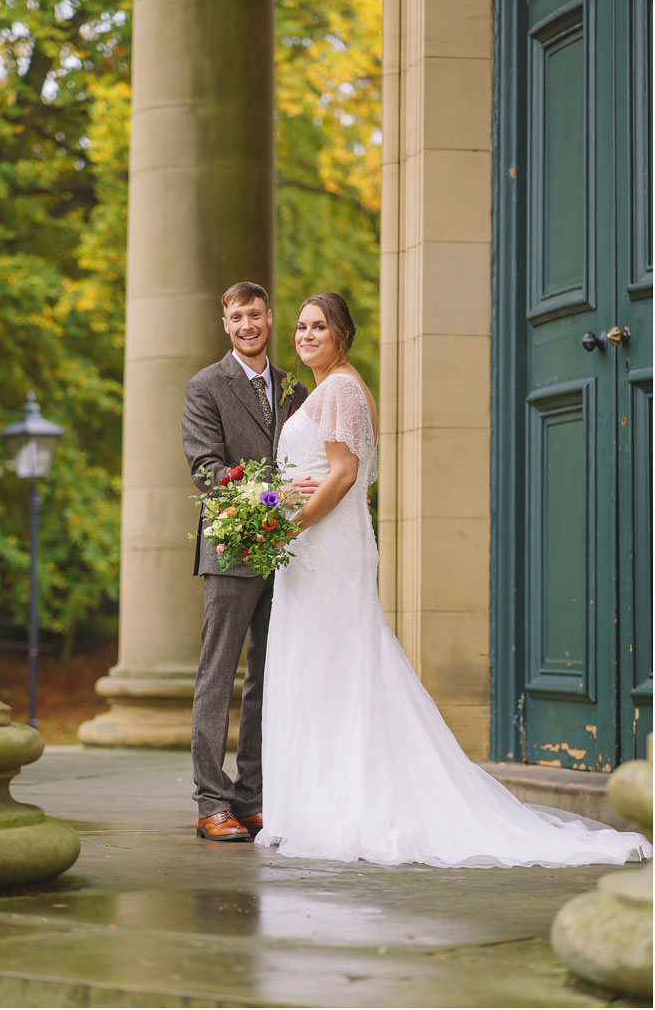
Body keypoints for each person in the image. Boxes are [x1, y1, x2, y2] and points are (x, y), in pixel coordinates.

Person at [259, 292, 652, 867]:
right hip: (317, 544)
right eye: (300, 326)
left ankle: (341, 802)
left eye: (319, 326)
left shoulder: (341, 387)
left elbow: (344, 475)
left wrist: (287, 526)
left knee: (336, 663)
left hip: (323, 546)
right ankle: (320, 796)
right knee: (328, 662)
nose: (306, 335)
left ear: (342, 333)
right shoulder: (329, 389)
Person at [181, 281, 308, 842]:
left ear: (269, 318)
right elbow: (206, 469)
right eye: (236, 317)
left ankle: (251, 797)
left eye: (254, 315)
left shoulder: (293, 389)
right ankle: (211, 801)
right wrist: (265, 498)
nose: (246, 325)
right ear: (225, 325)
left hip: (286, 553)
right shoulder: (205, 386)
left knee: (267, 676)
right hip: (232, 548)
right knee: (217, 676)